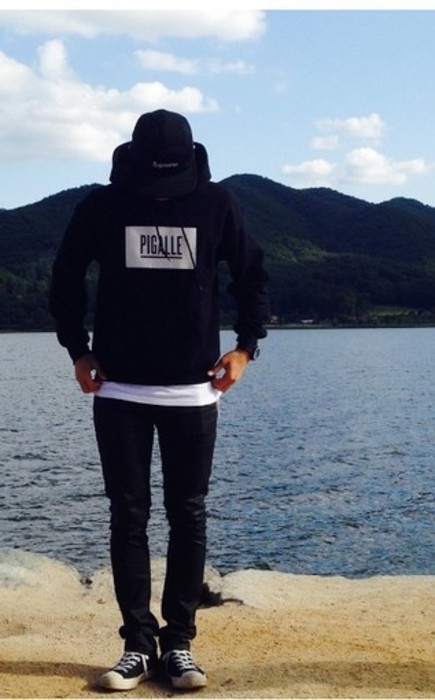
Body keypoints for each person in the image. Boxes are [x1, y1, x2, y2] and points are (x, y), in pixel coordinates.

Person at [49, 109, 269, 691]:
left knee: (187, 514)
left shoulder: (217, 205)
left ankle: (179, 646)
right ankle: (137, 646)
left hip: (194, 391)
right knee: (128, 515)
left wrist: (246, 348)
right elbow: (65, 276)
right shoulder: (103, 205)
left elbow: (253, 275)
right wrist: (77, 350)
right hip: (118, 388)